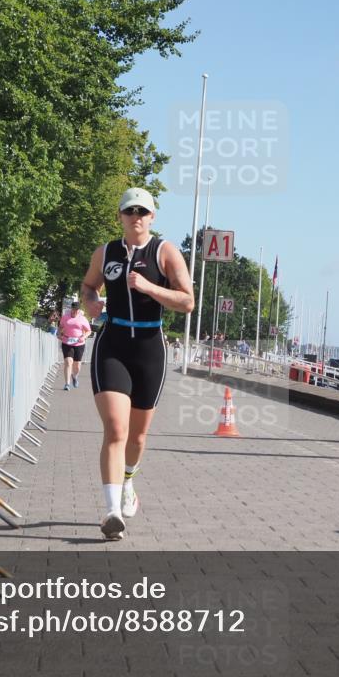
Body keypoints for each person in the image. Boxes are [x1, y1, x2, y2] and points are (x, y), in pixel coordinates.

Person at [80, 187, 195, 540]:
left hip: (149, 348)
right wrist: (90, 302)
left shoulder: (165, 251)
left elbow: (187, 301)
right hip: (112, 344)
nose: (136, 217)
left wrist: (149, 287)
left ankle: (128, 480)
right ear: (120, 216)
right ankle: (112, 512)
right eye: (129, 211)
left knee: (138, 436)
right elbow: (88, 286)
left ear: (152, 217)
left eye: (142, 211)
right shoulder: (105, 252)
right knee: (116, 429)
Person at [59, 301, 91, 390]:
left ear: (79, 310)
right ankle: (67, 384)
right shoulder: (65, 317)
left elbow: (89, 331)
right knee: (68, 362)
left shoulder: (83, 319)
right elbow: (60, 327)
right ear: (71, 309)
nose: (75, 311)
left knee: (77, 365)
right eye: (73, 309)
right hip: (67, 342)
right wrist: (59, 333)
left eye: (77, 310)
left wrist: (84, 337)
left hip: (79, 343)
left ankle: (74, 376)